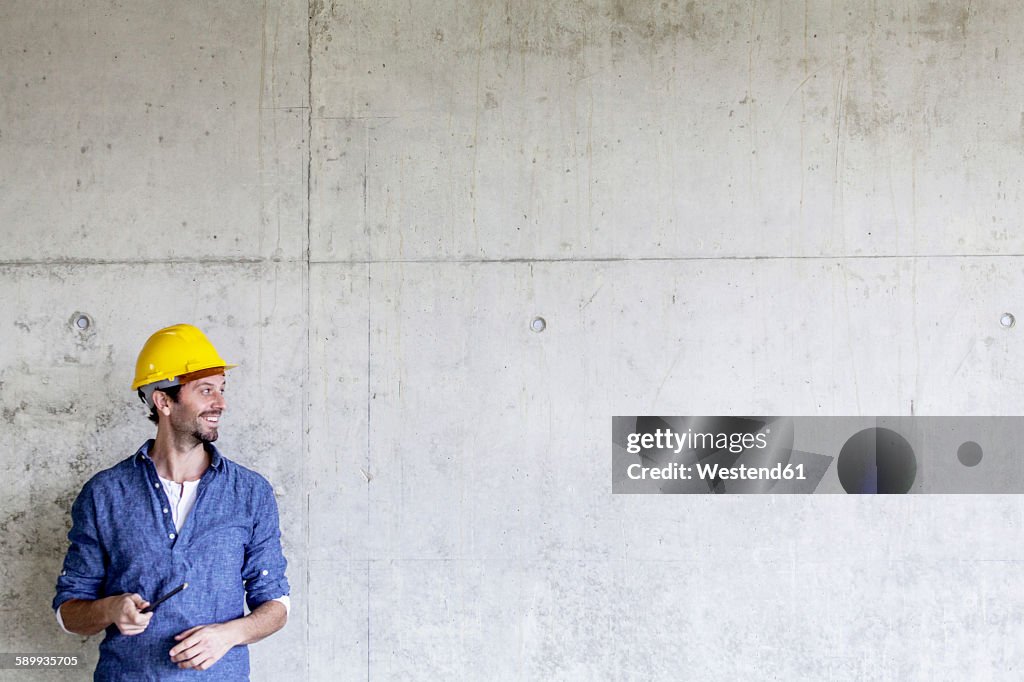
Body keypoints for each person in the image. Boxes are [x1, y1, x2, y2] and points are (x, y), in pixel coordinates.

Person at [53, 324, 290, 680]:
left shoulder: (250, 493)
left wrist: (229, 634)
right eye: (205, 390)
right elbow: (68, 611)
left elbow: (276, 604)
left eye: (222, 390)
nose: (220, 403)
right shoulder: (104, 493)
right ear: (163, 400)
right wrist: (111, 608)